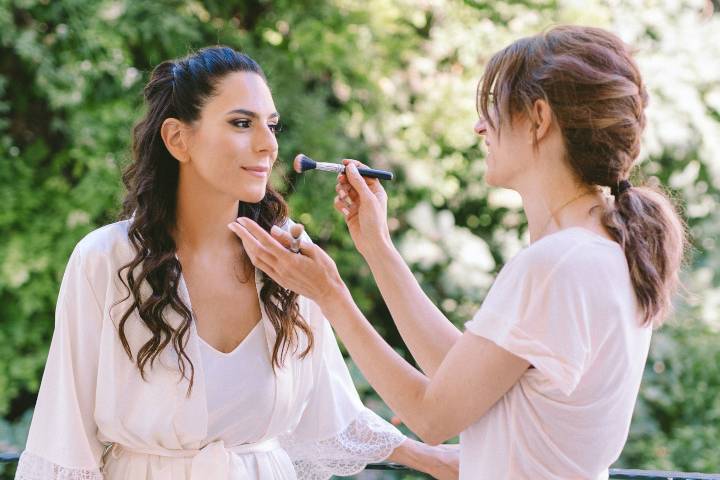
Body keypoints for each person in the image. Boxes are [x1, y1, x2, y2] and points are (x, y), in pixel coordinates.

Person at [229, 26, 687, 479]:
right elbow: (460, 375)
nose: (479, 126)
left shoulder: (556, 265)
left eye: (493, 108)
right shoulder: (603, 248)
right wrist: (377, 247)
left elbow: (433, 417)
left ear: (539, 119)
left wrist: (330, 295)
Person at [15, 46, 459, 480]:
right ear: (178, 139)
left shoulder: (287, 259)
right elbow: (65, 439)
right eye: (242, 123)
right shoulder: (105, 261)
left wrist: (440, 462)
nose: (268, 145)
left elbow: (329, 409)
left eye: (272, 126)